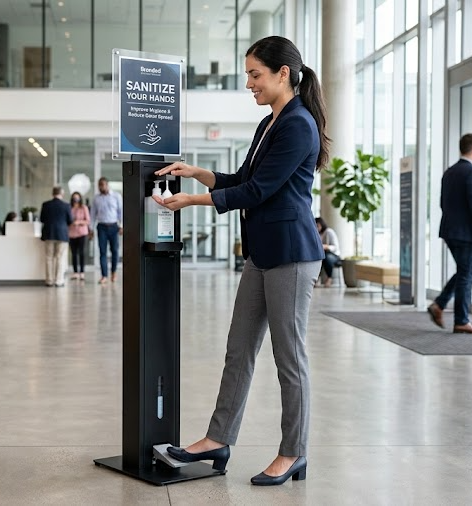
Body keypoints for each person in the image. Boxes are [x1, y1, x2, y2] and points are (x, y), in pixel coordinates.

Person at [152, 36, 328, 486]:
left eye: (255, 74)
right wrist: (196, 172)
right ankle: (218, 439)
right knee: (239, 350)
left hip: (291, 255)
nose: (249, 83)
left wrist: (193, 200)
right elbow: (244, 178)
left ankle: (294, 452)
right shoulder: (269, 123)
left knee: (289, 359)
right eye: (248, 74)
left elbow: (259, 191)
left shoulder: (297, 125)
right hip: (262, 253)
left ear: (282, 74)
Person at [427, 133, 472, 334]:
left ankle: (439, 304)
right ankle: (461, 320)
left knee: (464, 271)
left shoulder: (449, 172)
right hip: (466, 233)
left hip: (449, 230)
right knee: (467, 274)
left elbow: (442, 202)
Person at [39, 186, 73, 287]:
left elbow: (42, 219)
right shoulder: (66, 206)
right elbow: (70, 220)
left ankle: (49, 280)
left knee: (49, 257)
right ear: (62, 194)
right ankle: (59, 281)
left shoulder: (46, 205)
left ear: (53, 194)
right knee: (59, 257)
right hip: (62, 234)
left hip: (49, 233)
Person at [91, 177, 122, 284]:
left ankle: (113, 272)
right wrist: (91, 229)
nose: (101, 187)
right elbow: (92, 215)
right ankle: (104, 275)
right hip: (101, 227)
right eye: (99, 185)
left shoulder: (116, 196)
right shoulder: (96, 198)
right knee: (102, 252)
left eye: (102, 184)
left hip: (114, 226)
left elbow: (120, 212)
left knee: (115, 251)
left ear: (107, 185)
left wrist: (122, 225)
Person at [68, 191, 91, 281]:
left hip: (82, 233)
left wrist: (79, 222)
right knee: (74, 253)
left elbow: (88, 221)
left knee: (81, 253)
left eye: (77, 198)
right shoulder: (69, 208)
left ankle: (82, 272)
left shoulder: (84, 208)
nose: (76, 199)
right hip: (72, 233)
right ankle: (75, 272)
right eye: (74, 198)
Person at [315, 217, 340, 287]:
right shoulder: (318, 234)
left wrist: (326, 247)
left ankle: (329, 278)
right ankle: (317, 279)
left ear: (322, 224)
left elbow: (336, 247)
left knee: (326, 258)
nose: (317, 228)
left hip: (334, 255)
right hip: (323, 255)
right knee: (318, 258)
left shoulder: (329, 232)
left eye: (318, 226)